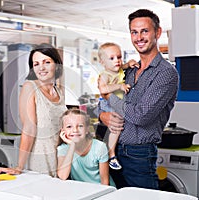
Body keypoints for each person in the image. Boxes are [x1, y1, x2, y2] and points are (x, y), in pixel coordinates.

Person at [97, 9, 179, 189]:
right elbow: (99, 105)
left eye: (144, 31)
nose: (139, 37)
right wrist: (103, 116)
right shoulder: (127, 71)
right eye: (134, 32)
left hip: (138, 155)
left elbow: (141, 116)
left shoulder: (165, 73)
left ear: (157, 32)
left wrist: (108, 95)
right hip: (111, 150)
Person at [0, 43, 67, 177]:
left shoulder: (59, 92)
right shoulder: (30, 87)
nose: (41, 68)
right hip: (40, 158)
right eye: (36, 64)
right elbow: (29, 128)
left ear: (56, 65)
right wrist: (19, 166)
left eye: (46, 62)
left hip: (61, 157)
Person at [97, 42, 139, 170]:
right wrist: (119, 86)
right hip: (108, 103)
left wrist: (129, 64)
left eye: (119, 57)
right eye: (112, 58)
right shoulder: (105, 75)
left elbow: (123, 66)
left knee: (117, 127)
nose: (117, 61)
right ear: (103, 62)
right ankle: (111, 154)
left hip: (117, 101)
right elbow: (103, 89)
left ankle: (109, 153)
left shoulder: (118, 69)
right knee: (116, 127)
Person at [57, 108, 116, 187]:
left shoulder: (99, 147)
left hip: (102, 189)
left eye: (80, 126)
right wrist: (72, 146)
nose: (75, 130)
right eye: (69, 126)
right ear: (63, 131)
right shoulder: (63, 149)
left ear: (87, 129)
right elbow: (62, 176)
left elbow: (105, 182)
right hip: (82, 190)